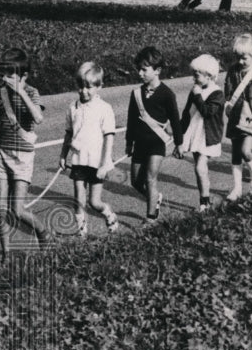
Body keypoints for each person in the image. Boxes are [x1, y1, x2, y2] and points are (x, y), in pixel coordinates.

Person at [0, 48, 47, 262]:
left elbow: (38, 118)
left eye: (11, 74)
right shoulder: (1, 94)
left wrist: (21, 92)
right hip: (2, 155)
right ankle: (6, 255)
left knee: (18, 210)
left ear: (24, 76)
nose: (6, 78)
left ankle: (43, 232)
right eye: (4, 73)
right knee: (1, 209)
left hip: (23, 157)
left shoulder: (32, 93)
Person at [57, 61, 119, 236]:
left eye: (89, 87)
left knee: (94, 202)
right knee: (79, 199)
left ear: (99, 87)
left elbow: (109, 136)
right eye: (80, 86)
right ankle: (81, 233)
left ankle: (109, 214)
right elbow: (69, 133)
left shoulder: (104, 108)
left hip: (96, 162)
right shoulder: (73, 107)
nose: (83, 91)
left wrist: (105, 163)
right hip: (78, 159)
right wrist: (63, 155)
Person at [126, 47, 183, 225]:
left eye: (144, 69)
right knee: (136, 182)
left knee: (151, 178)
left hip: (156, 144)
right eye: (139, 69)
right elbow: (131, 120)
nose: (140, 73)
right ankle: (155, 198)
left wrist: (179, 143)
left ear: (157, 70)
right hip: (139, 143)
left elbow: (175, 120)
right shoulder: (136, 94)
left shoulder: (167, 94)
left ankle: (151, 218)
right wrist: (129, 142)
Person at [223, 34, 252, 200]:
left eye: (244, 58)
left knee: (245, 151)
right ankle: (237, 188)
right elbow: (227, 92)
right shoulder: (232, 71)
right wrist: (228, 103)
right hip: (235, 117)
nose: (241, 61)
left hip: (251, 119)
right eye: (238, 58)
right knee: (236, 154)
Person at [179, 54, 225, 211]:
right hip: (195, 134)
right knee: (198, 170)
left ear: (209, 75)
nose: (194, 78)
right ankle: (203, 201)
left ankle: (206, 201)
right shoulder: (195, 90)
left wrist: (198, 95)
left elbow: (207, 112)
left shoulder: (217, 93)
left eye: (197, 75)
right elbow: (187, 112)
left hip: (208, 136)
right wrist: (179, 137)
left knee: (200, 167)